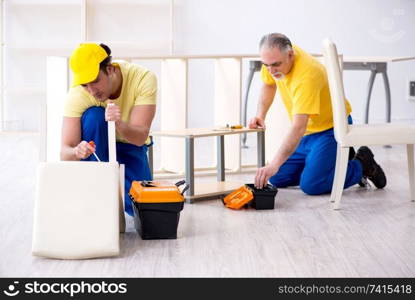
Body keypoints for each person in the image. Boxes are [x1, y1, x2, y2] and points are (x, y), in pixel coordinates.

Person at [249, 33, 386, 194]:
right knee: (278, 178)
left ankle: (361, 164)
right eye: (266, 65)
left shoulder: (307, 76)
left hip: (330, 129)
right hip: (308, 132)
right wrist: (261, 115)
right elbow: (269, 85)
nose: (271, 71)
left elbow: (298, 128)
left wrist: (273, 164)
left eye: (275, 65)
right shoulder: (275, 58)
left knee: (312, 185)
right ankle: (329, 163)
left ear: (290, 55)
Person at [61, 43, 156, 216]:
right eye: (85, 85)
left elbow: (140, 137)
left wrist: (118, 123)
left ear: (110, 69)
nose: (91, 91)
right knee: (94, 116)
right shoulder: (78, 94)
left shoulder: (143, 78)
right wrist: (77, 151)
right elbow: (64, 152)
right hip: (97, 148)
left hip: (130, 146)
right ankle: (95, 195)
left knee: (144, 211)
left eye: (95, 81)